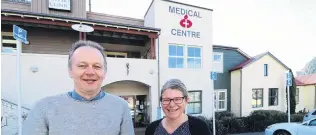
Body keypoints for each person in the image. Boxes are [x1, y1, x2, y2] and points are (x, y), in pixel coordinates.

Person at [23, 40, 135, 135]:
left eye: (97, 66)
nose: (90, 72)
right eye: (82, 66)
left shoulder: (121, 107)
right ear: (70, 71)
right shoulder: (43, 109)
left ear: (104, 72)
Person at [145, 79, 211, 135]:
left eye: (177, 99)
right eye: (166, 100)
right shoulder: (151, 129)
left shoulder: (200, 127)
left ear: (186, 100)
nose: (172, 105)